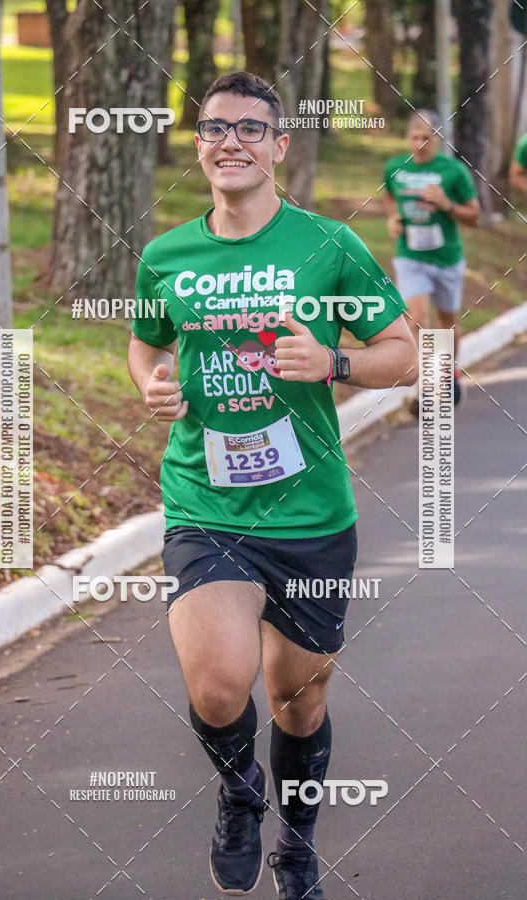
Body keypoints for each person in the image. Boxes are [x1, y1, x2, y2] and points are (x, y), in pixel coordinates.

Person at [128, 72, 418, 899]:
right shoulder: (167, 256)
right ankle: (238, 793)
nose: (231, 142)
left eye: (251, 129)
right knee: (219, 686)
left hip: (311, 512)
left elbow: (404, 351)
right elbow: (146, 345)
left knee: (296, 702)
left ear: (280, 146)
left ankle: (297, 840)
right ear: (198, 146)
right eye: (215, 128)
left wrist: (336, 362)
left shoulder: (328, 246)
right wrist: (151, 383)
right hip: (204, 501)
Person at [383, 109, 479, 414]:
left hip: (447, 258)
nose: (420, 143)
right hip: (411, 256)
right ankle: (424, 384)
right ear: (407, 137)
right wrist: (392, 219)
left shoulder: (454, 172)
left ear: (437, 138)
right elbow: (389, 197)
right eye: (415, 137)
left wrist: (446, 204)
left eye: (427, 138)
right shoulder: (395, 168)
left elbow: (474, 216)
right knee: (417, 317)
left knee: (447, 321)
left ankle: (450, 372)